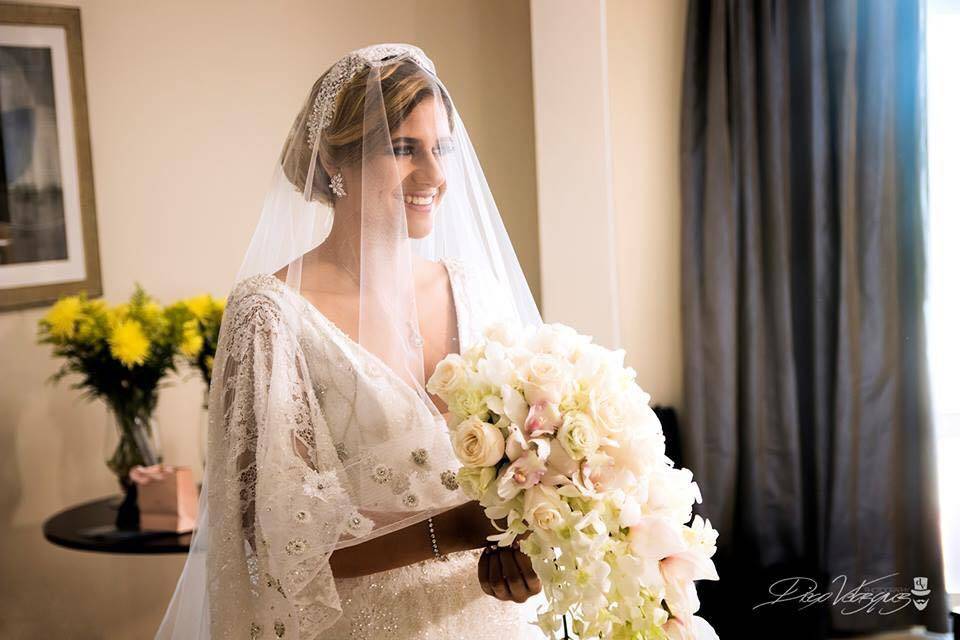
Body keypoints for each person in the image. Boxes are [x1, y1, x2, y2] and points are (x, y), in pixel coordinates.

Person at [156, 43, 550, 639]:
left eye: (441, 148)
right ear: (336, 161)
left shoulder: (477, 291)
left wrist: (535, 549)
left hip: (494, 619)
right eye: (403, 149)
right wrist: (460, 530)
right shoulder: (271, 316)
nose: (437, 176)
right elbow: (275, 538)